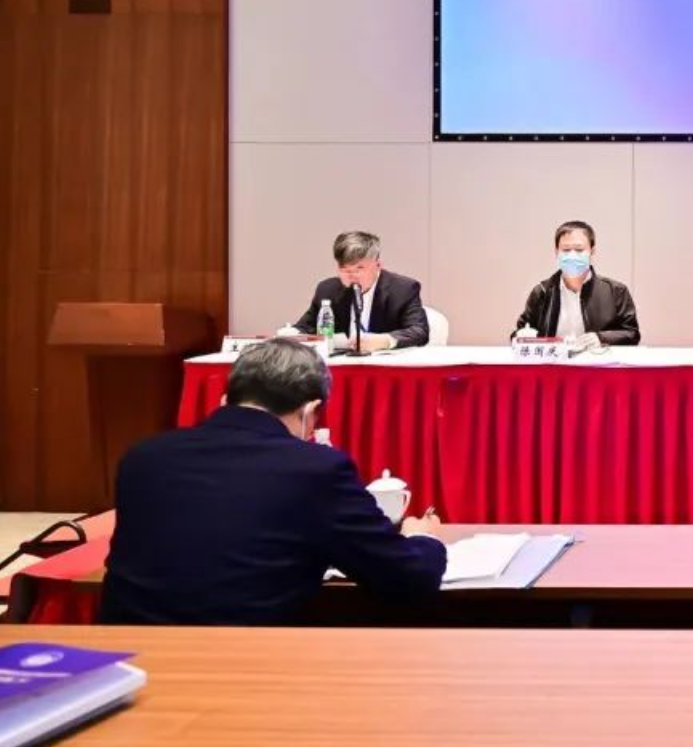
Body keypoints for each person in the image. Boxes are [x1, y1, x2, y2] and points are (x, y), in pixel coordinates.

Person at [101, 340, 446, 625]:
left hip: (128, 661)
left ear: (226, 400)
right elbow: (408, 579)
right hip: (247, 661)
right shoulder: (317, 469)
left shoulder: (144, 457)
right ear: (310, 410)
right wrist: (422, 537)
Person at [290, 231, 429, 350]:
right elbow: (304, 328)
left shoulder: (403, 289)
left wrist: (384, 341)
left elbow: (419, 331)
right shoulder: (327, 290)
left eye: (359, 268)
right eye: (344, 269)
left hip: (383, 364)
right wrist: (290, 333)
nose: (351, 276)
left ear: (378, 265)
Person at [514, 220, 641, 348]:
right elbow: (519, 333)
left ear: (592, 251)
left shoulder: (616, 291)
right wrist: (522, 336)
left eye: (579, 250)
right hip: (554, 360)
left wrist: (601, 338)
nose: (572, 255)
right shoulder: (542, 292)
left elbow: (632, 334)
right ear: (556, 252)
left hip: (597, 359)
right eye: (566, 250)